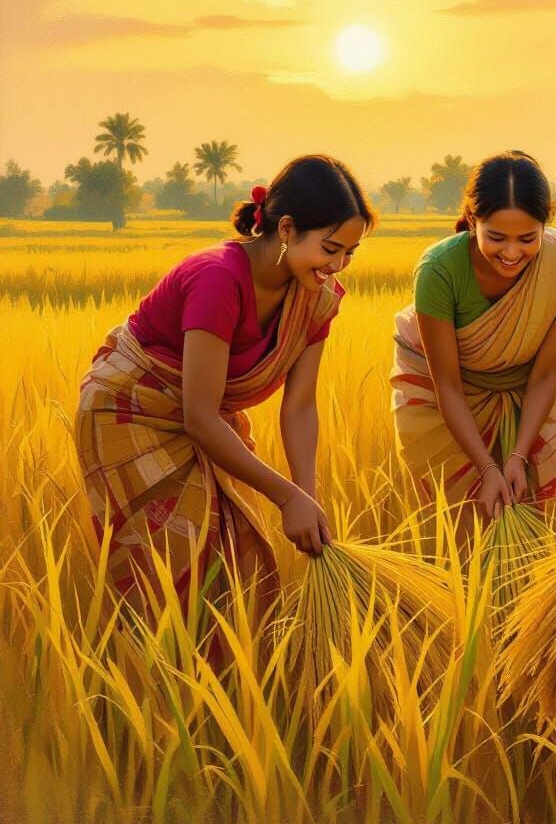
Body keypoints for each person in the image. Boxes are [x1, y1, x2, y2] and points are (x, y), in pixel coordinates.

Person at [74, 154, 375, 623]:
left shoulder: (317, 299)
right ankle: (152, 686)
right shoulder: (218, 278)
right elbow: (199, 414)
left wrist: (306, 498)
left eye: (349, 253)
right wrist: (286, 497)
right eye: (331, 248)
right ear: (289, 229)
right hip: (133, 412)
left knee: (238, 565)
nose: (338, 265)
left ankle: (228, 688)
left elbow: (299, 406)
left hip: (211, 423)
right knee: (173, 569)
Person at [391, 151, 556, 532]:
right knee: (458, 532)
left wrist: (518, 457)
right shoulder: (439, 270)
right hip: (447, 409)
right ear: (472, 221)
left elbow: (545, 374)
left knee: (532, 528)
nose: (511, 253)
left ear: (546, 223)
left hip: (529, 399)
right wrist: (486, 467)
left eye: (527, 238)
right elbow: (448, 385)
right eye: (496, 237)